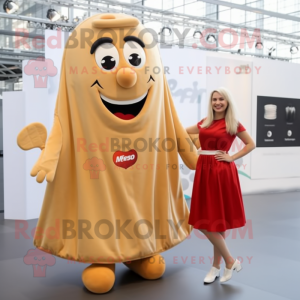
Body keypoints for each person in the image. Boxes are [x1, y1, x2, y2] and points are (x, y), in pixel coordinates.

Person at [185, 87, 255, 284]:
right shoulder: (204, 122)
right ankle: (226, 263)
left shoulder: (233, 123)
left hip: (221, 171)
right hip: (204, 171)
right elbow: (183, 132)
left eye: (221, 99)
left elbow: (251, 144)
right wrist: (197, 146)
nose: (217, 102)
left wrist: (231, 157)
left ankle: (221, 264)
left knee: (217, 220)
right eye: (214, 99)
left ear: (227, 102)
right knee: (205, 219)